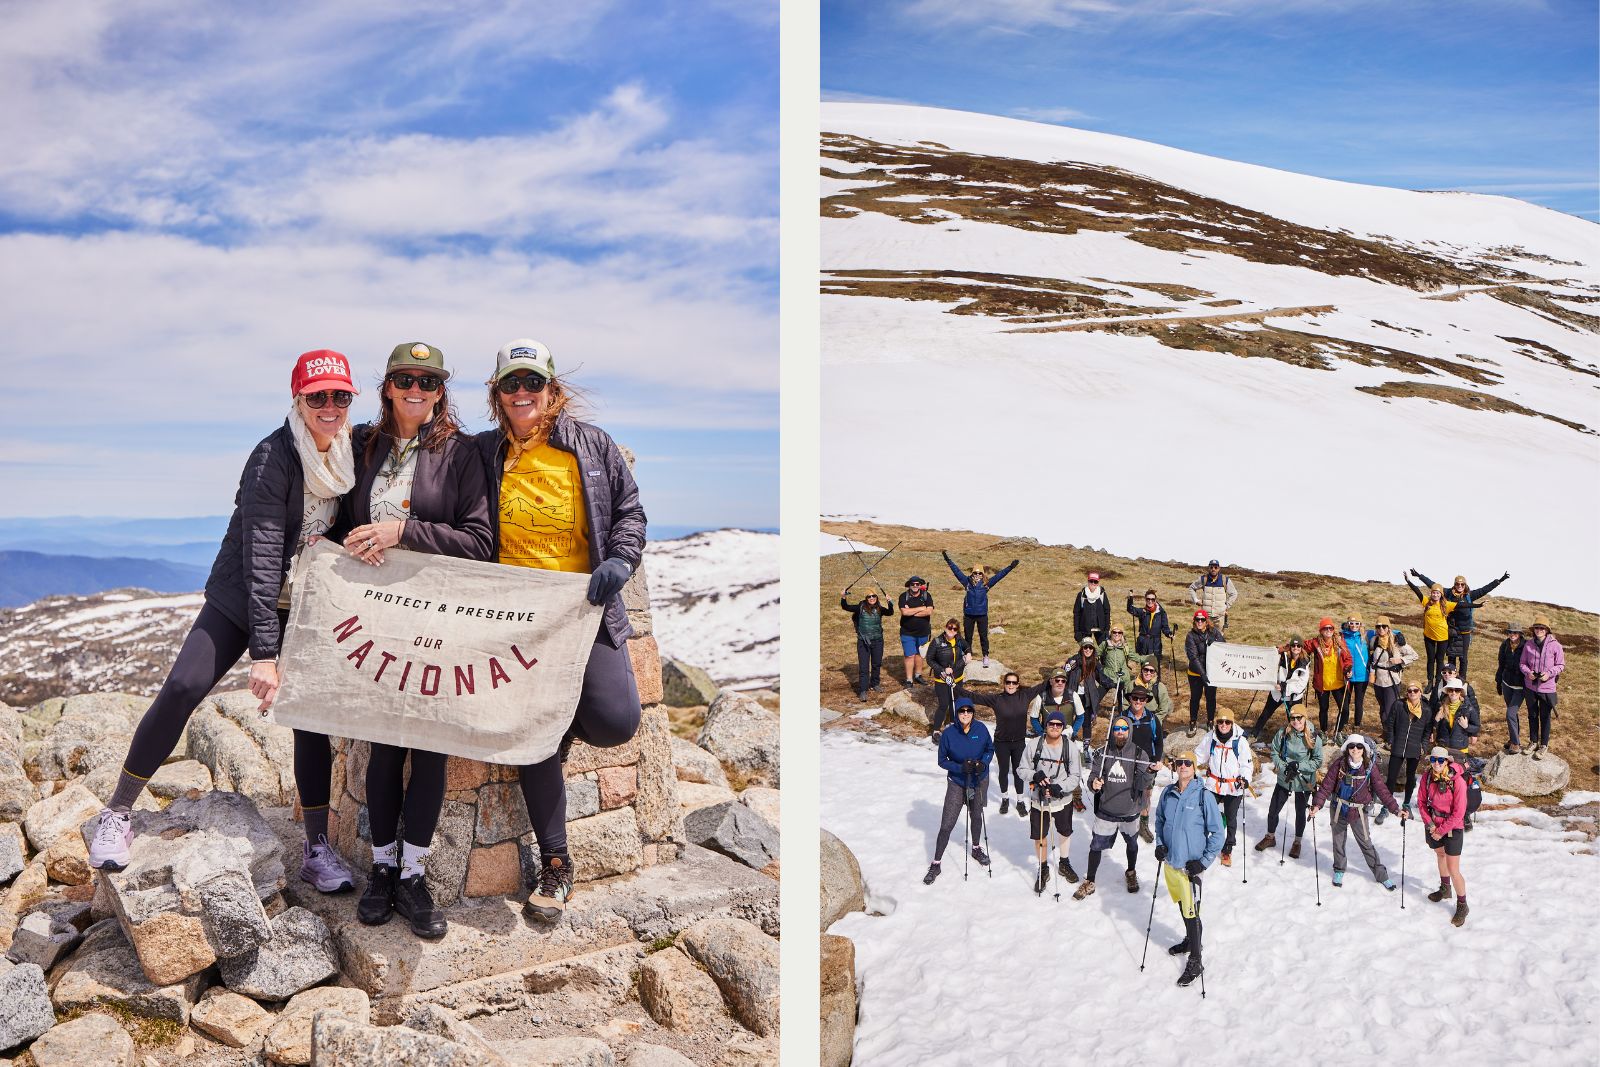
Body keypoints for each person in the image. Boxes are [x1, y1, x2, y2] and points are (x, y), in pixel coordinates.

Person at [87, 351, 359, 893]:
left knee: (310, 720)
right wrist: (265, 654)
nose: (329, 407)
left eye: (340, 396)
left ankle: (316, 847)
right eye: (317, 397)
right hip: (242, 597)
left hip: (306, 604)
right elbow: (260, 557)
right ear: (297, 399)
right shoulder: (272, 457)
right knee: (186, 684)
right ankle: (116, 813)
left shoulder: (352, 455)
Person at [476, 339, 646, 923]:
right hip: (515, 617)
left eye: (532, 383)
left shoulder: (591, 446)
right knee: (533, 735)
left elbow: (629, 511)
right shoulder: (485, 453)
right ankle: (555, 862)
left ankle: (562, 715)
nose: (522, 394)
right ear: (497, 396)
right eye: (510, 385)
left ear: (552, 390)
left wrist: (621, 561)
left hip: (584, 607)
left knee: (617, 722)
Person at [335, 342, 492, 939]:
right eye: (405, 378)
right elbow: (344, 516)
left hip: (436, 616)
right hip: (375, 615)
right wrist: (357, 540)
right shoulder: (365, 446)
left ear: (440, 390)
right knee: (382, 743)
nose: (416, 389)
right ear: (389, 386)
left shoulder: (461, 454)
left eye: (428, 380)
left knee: (428, 746)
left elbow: (479, 539)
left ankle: (413, 874)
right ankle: (381, 866)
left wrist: (403, 531)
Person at [1153, 750, 1223, 989]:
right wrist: (1160, 846)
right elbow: (1160, 821)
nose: (1182, 766)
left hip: (1191, 867)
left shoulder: (1204, 796)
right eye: (1179, 763)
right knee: (1184, 906)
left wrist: (1203, 862)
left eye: (1187, 763)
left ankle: (1196, 960)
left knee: (1192, 911)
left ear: (1194, 768)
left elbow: (1218, 833)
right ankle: (1191, 942)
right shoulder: (1168, 793)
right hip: (1172, 863)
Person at [1309, 734, 1406, 889]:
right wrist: (1316, 805)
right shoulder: (1339, 764)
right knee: (1338, 842)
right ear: (1347, 748)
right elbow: (1326, 786)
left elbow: (1382, 790)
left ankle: (1381, 875)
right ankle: (1339, 869)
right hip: (1338, 808)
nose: (1355, 749)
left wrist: (1396, 809)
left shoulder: (1369, 768)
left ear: (1364, 750)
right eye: (1352, 746)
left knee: (1366, 844)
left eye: (1359, 746)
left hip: (1359, 812)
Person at [1078, 716, 1154, 899]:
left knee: (1132, 844)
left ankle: (1131, 872)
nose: (1120, 732)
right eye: (1117, 729)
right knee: (1096, 846)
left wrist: (1151, 773)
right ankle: (1090, 880)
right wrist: (1093, 784)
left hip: (1130, 811)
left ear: (1129, 731)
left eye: (1124, 729)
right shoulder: (1103, 753)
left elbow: (1144, 783)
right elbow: (1093, 776)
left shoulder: (1139, 754)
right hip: (1106, 811)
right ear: (1112, 731)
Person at [924, 697, 994, 884]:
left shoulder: (981, 729)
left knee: (976, 816)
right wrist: (960, 768)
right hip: (957, 782)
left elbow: (990, 749)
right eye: (962, 711)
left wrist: (983, 763)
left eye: (968, 711)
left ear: (973, 712)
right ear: (956, 713)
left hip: (978, 780)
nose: (965, 714)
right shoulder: (948, 733)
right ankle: (936, 862)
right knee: (947, 823)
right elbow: (942, 760)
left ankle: (976, 848)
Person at [968, 671, 1047, 816]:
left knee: (1019, 772)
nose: (1011, 685)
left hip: (1018, 743)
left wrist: (1062, 672)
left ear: (1018, 685)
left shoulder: (1025, 696)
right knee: (1003, 771)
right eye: (1008, 682)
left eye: (1014, 683)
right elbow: (975, 697)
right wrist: (954, 686)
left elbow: (1043, 685)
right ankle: (1005, 798)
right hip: (1001, 743)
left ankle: (1020, 801)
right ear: (1004, 684)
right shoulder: (997, 699)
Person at [1024, 710, 1083, 893]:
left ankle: (1064, 862)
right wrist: (1035, 775)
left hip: (1062, 800)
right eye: (1051, 724)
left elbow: (1076, 775)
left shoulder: (1070, 747)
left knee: (1064, 831)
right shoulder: (1035, 745)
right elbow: (1021, 769)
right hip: (1039, 800)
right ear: (1046, 725)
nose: (1055, 727)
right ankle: (1043, 867)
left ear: (1063, 727)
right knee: (1040, 835)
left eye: (1059, 725)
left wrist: (1060, 787)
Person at [1414, 569, 1509, 676]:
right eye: (1458, 584)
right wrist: (1419, 576)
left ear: (1465, 585)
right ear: (1454, 585)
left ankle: (1462, 679)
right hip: (1451, 630)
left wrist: (1500, 580)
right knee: (1451, 657)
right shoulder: (1448, 593)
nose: (1460, 586)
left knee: (1463, 658)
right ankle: (1450, 678)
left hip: (1465, 632)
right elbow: (1433, 585)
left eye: (1462, 584)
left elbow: (1485, 589)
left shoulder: (1470, 595)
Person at [1255, 710, 1321, 858]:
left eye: (1299, 717)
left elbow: (1318, 760)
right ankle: (1270, 837)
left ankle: (1297, 842)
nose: (1296, 721)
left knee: (1300, 812)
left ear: (1305, 717)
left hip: (1303, 782)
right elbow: (1274, 753)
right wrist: (1285, 768)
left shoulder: (1313, 736)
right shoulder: (1283, 733)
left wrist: (1299, 766)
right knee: (1273, 810)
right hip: (1285, 779)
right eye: (1293, 718)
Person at [1418, 746, 1471, 927]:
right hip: (1434, 825)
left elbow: (1459, 813)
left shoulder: (1458, 782)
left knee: (1453, 868)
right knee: (1440, 855)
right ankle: (1445, 888)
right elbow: (1422, 803)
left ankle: (1462, 905)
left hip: (1452, 828)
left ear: (1447, 761)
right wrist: (1431, 824)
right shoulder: (1426, 778)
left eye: (1440, 760)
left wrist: (1440, 830)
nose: (1437, 764)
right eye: (1434, 760)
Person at [1194, 709, 1254, 866]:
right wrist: (1186, 762)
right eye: (1220, 721)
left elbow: (1246, 764)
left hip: (1233, 786)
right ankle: (1204, 843)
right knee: (1206, 813)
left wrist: (1245, 779)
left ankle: (1227, 849)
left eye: (1227, 722)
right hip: (1214, 784)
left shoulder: (1239, 742)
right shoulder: (1210, 738)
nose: (1223, 725)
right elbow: (1199, 755)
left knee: (1231, 816)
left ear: (1232, 723)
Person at [941, 551, 1018, 666]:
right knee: (968, 636)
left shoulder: (987, 584)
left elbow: (999, 575)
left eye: (979, 573)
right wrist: (948, 560)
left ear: (982, 574)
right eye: (975, 573)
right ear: (972, 573)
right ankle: (967, 655)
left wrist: (1011, 567)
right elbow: (956, 571)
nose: (977, 575)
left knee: (983, 636)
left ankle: (985, 656)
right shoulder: (966, 582)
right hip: (969, 614)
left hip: (982, 615)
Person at [1377, 681, 1434, 826]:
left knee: (1410, 777)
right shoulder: (1398, 705)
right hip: (1398, 746)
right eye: (1410, 691)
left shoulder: (1426, 710)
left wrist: (1423, 746)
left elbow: (1428, 731)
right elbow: (1390, 723)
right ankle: (1387, 805)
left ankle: (1407, 802)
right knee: (1391, 777)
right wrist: (1390, 740)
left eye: (1416, 690)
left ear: (1420, 692)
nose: (1413, 693)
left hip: (1414, 748)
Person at [1520, 615, 1564, 760]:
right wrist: (1528, 673)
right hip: (1530, 687)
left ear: (1547, 630)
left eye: (1542, 628)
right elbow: (1522, 664)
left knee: (1545, 717)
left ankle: (1544, 745)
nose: (1539, 630)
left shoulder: (1555, 645)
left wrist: (1549, 674)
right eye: (1536, 628)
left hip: (1547, 689)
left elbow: (1560, 665)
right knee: (1532, 715)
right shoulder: (1528, 644)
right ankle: (1533, 742)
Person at [1124, 688, 1165, 842]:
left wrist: (1156, 760)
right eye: (1135, 698)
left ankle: (1143, 824)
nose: (1138, 702)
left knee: (1147, 793)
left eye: (1142, 699)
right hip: (1126, 762)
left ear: (1146, 701)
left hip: (1146, 764)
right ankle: (1126, 819)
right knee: (1125, 790)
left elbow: (1158, 742)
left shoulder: (1152, 719)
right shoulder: (1122, 717)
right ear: (1130, 699)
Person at [1367, 615, 1417, 740]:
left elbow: (1414, 655)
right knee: (1382, 708)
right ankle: (1385, 732)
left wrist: (1400, 659)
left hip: (1392, 680)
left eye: (1384, 626)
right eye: (1378, 626)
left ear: (1389, 628)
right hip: (1378, 680)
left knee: (1390, 710)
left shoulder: (1397, 641)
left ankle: (1391, 737)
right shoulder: (1373, 640)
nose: (1381, 629)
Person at [1249, 637, 1309, 740]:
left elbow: (1301, 685)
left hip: (1293, 697)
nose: (1296, 648)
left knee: (1295, 718)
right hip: (1277, 693)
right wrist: (1280, 649)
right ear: (1290, 647)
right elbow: (1269, 653)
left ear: (1301, 648)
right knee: (1265, 714)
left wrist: (1284, 687)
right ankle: (1253, 735)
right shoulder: (1283, 656)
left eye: (1298, 646)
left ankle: (1297, 739)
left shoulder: (1305, 662)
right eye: (1293, 645)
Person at [841, 588, 894, 701]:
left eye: (873, 596)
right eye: (869, 597)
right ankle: (863, 690)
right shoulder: (860, 607)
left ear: (876, 597)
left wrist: (890, 602)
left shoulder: (880, 608)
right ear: (866, 598)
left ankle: (875, 684)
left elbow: (890, 613)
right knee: (864, 667)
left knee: (876, 664)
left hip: (878, 641)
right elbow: (846, 607)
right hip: (863, 642)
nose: (872, 598)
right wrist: (843, 597)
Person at [1403, 571, 1454, 687]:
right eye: (1433, 592)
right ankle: (1430, 681)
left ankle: (1438, 682)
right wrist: (1408, 581)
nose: (1435, 595)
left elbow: (1462, 605)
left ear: (1441, 594)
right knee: (1431, 659)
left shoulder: (1447, 605)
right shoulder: (1426, 602)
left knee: (1440, 660)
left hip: (1442, 637)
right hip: (1429, 636)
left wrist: (1478, 605)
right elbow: (1417, 591)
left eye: (1437, 593)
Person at [924, 619, 972, 739]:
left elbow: (967, 647)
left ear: (957, 631)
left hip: (957, 677)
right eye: (950, 627)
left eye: (955, 629)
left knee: (955, 702)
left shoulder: (959, 639)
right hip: (942, 679)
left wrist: (969, 653)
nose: (952, 630)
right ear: (945, 628)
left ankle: (952, 724)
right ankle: (936, 730)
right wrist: (942, 669)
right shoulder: (937, 642)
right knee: (944, 704)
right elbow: (930, 659)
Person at [1306, 618, 1353, 735]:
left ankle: (1338, 731)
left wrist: (1348, 668)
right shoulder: (1316, 643)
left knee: (1345, 710)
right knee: (1323, 709)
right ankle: (1323, 732)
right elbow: (1298, 645)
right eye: (1325, 628)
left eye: (1330, 628)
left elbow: (1348, 658)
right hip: (1323, 684)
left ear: (1333, 630)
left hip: (1339, 683)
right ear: (1321, 630)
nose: (1328, 630)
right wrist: (1281, 649)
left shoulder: (1339, 641)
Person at [1064, 638, 1116, 741]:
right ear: (1081, 648)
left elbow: (1101, 678)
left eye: (1090, 647)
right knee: (1070, 720)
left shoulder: (1095, 663)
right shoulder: (1074, 660)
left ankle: (1086, 746)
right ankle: (1069, 739)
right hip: (1073, 695)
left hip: (1087, 697)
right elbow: (1065, 673)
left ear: (1093, 649)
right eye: (1085, 647)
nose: (1088, 649)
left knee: (1086, 722)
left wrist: (1113, 683)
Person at [1184, 610, 1222, 728]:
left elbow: (1224, 646)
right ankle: (1193, 722)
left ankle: (1210, 721)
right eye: (1197, 619)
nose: (1200, 622)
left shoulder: (1214, 632)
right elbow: (1193, 657)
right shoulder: (1190, 636)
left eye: (1202, 619)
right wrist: (1203, 674)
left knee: (1211, 697)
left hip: (1212, 672)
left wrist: (1215, 642)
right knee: (1195, 697)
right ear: (1194, 621)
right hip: (1195, 673)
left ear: (1206, 621)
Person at [1495, 622, 1527, 754]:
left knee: (1510, 714)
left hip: (1520, 687)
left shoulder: (1526, 646)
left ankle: (1515, 743)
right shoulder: (1505, 645)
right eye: (1510, 632)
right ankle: (1514, 737)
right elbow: (1501, 664)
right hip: (1507, 684)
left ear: (1520, 634)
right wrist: (1498, 682)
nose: (1512, 635)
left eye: (1515, 632)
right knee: (1513, 714)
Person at [897, 576, 935, 686]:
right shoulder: (903, 596)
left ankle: (918, 675)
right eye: (913, 584)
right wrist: (921, 608)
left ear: (920, 585)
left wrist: (912, 611)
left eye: (917, 584)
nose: (915, 586)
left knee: (920, 654)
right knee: (909, 655)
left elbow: (929, 612)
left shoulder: (926, 595)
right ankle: (909, 679)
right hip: (907, 632)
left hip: (923, 631)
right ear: (909, 585)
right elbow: (904, 612)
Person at [1127, 588, 1175, 673]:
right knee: (1144, 666)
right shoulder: (1143, 611)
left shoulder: (1161, 613)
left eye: (1152, 599)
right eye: (1148, 599)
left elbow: (1165, 627)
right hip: (1143, 643)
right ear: (1145, 599)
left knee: (1155, 667)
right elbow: (1130, 609)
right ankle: (1143, 685)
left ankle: (1155, 685)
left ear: (1155, 600)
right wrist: (1130, 598)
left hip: (1155, 643)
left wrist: (1169, 634)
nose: (1150, 601)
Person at [1339, 613, 1373, 731]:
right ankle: (1345, 724)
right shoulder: (1343, 636)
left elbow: (1385, 630)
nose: (1354, 625)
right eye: (1351, 623)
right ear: (1348, 624)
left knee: (1359, 702)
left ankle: (1357, 725)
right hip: (1347, 675)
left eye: (1357, 623)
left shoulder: (1366, 635)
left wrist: (1398, 633)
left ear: (1360, 624)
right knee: (1346, 702)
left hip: (1362, 675)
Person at [1433, 677, 1480, 758]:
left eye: (1457, 690)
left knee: (1457, 770)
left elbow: (1477, 727)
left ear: (1460, 692)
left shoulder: (1468, 708)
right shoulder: (1440, 706)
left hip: (1460, 749)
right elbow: (1434, 728)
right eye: (1450, 690)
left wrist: (1467, 727)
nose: (1453, 693)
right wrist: (1436, 720)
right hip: (1443, 747)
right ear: (1447, 692)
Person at [1188, 560, 1237, 633]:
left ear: (1219, 568)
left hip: (1220, 617)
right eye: (1211, 567)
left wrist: (1226, 606)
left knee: (1219, 640)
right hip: (1206, 617)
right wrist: (1195, 600)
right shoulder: (1203, 579)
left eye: (1215, 567)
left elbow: (1234, 593)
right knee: (1204, 638)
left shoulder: (1225, 580)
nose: (1213, 569)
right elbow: (1192, 588)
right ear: (1209, 568)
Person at [1098, 625, 1136, 715]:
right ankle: (1091, 714)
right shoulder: (1105, 644)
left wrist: (1147, 659)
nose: (1117, 634)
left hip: (1121, 676)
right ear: (1111, 633)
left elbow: (1134, 656)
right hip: (1108, 674)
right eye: (1114, 632)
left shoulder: (1125, 646)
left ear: (1122, 634)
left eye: (1119, 632)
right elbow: (1095, 653)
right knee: (1098, 694)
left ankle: (1122, 714)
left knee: (1122, 697)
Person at [1027, 667, 1075, 739]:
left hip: (1067, 740)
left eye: (1063, 681)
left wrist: (1073, 732)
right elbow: (1034, 718)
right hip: (1047, 740)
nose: (1060, 683)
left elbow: (1080, 717)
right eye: (1057, 680)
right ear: (1051, 681)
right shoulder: (1041, 697)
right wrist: (1041, 733)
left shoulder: (1073, 695)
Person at [1073, 571, 1111, 644]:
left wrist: (1107, 629)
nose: (1093, 583)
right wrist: (1077, 631)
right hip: (1084, 629)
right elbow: (1076, 614)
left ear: (1098, 583)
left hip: (1101, 629)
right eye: (1091, 581)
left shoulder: (1102, 594)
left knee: (1104, 651)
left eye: (1095, 582)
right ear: (1088, 581)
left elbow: (1107, 612)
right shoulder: (1081, 595)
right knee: (1086, 650)